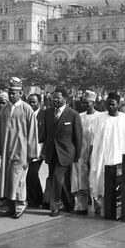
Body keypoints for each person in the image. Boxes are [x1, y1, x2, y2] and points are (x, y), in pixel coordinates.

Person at [0, 77, 37, 219]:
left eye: (14, 93)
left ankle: (20, 206)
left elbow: (33, 133)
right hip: (6, 151)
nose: (11, 95)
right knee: (7, 180)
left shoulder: (27, 109)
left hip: (21, 152)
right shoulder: (5, 109)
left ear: (20, 93)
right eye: (10, 92)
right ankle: (10, 207)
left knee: (18, 180)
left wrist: (31, 154)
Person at [89, 92, 125, 215]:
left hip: (117, 156)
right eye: (108, 104)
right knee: (101, 181)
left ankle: (116, 210)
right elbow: (94, 139)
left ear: (118, 105)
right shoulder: (99, 118)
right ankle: (102, 207)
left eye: (112, 104)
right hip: (102, 156)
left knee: (116, 184)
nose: (109, 107)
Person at [41, 87, 83, 217]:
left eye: (58, 98)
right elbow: (46, 134)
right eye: (54, 97)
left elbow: (78, 137)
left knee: (57, 178)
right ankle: (69, 203)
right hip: (51, 152)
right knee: (58, 179)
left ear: (65, 98)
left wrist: (77, 156)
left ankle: (55, 205)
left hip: (66, 153)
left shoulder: (73, 114)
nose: (55, 100)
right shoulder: (47, 113)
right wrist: (43, 151)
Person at [70, 90, 100, 215]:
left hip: (95, 152)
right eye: (83, 103)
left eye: (87, 103)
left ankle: (98, 205)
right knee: (80, 179)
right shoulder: (79, 116)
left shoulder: (100, 117)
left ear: (93, 103)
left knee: (94, 178)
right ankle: (81, 205)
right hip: (81, 152)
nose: (85, 105)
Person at [26, 93, 46, 208]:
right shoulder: (26, 113)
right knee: (29, 174)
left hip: (39, 148)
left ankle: (36, 200)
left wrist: (44, 152)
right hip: (27, 148)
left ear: (39, 102)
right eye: (30, 102)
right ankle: (35, 198)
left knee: (32, 173)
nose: (32, 104)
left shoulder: (44, 115)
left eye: (34, 102)